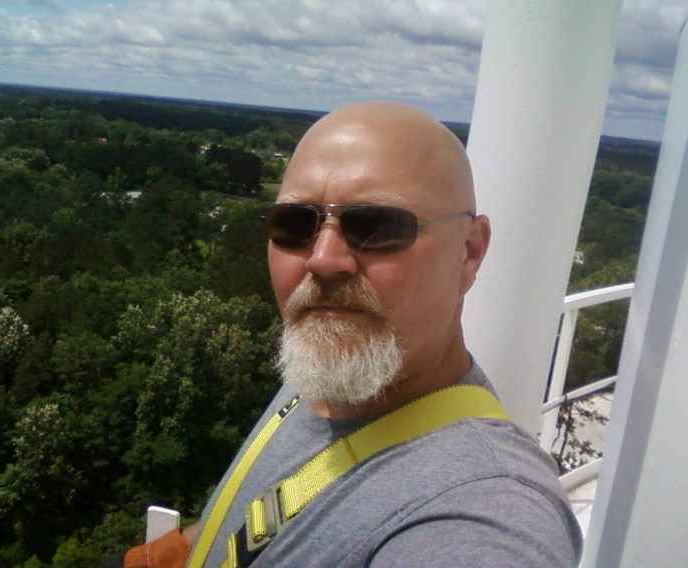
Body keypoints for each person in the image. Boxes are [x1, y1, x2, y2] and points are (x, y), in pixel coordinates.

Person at [124, 101, 582, 567]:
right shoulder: (331, 371)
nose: (322, 259)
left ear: (469, 252)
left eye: (376, 226)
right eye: (294, 225)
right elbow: (268, 518)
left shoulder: (482, 510)